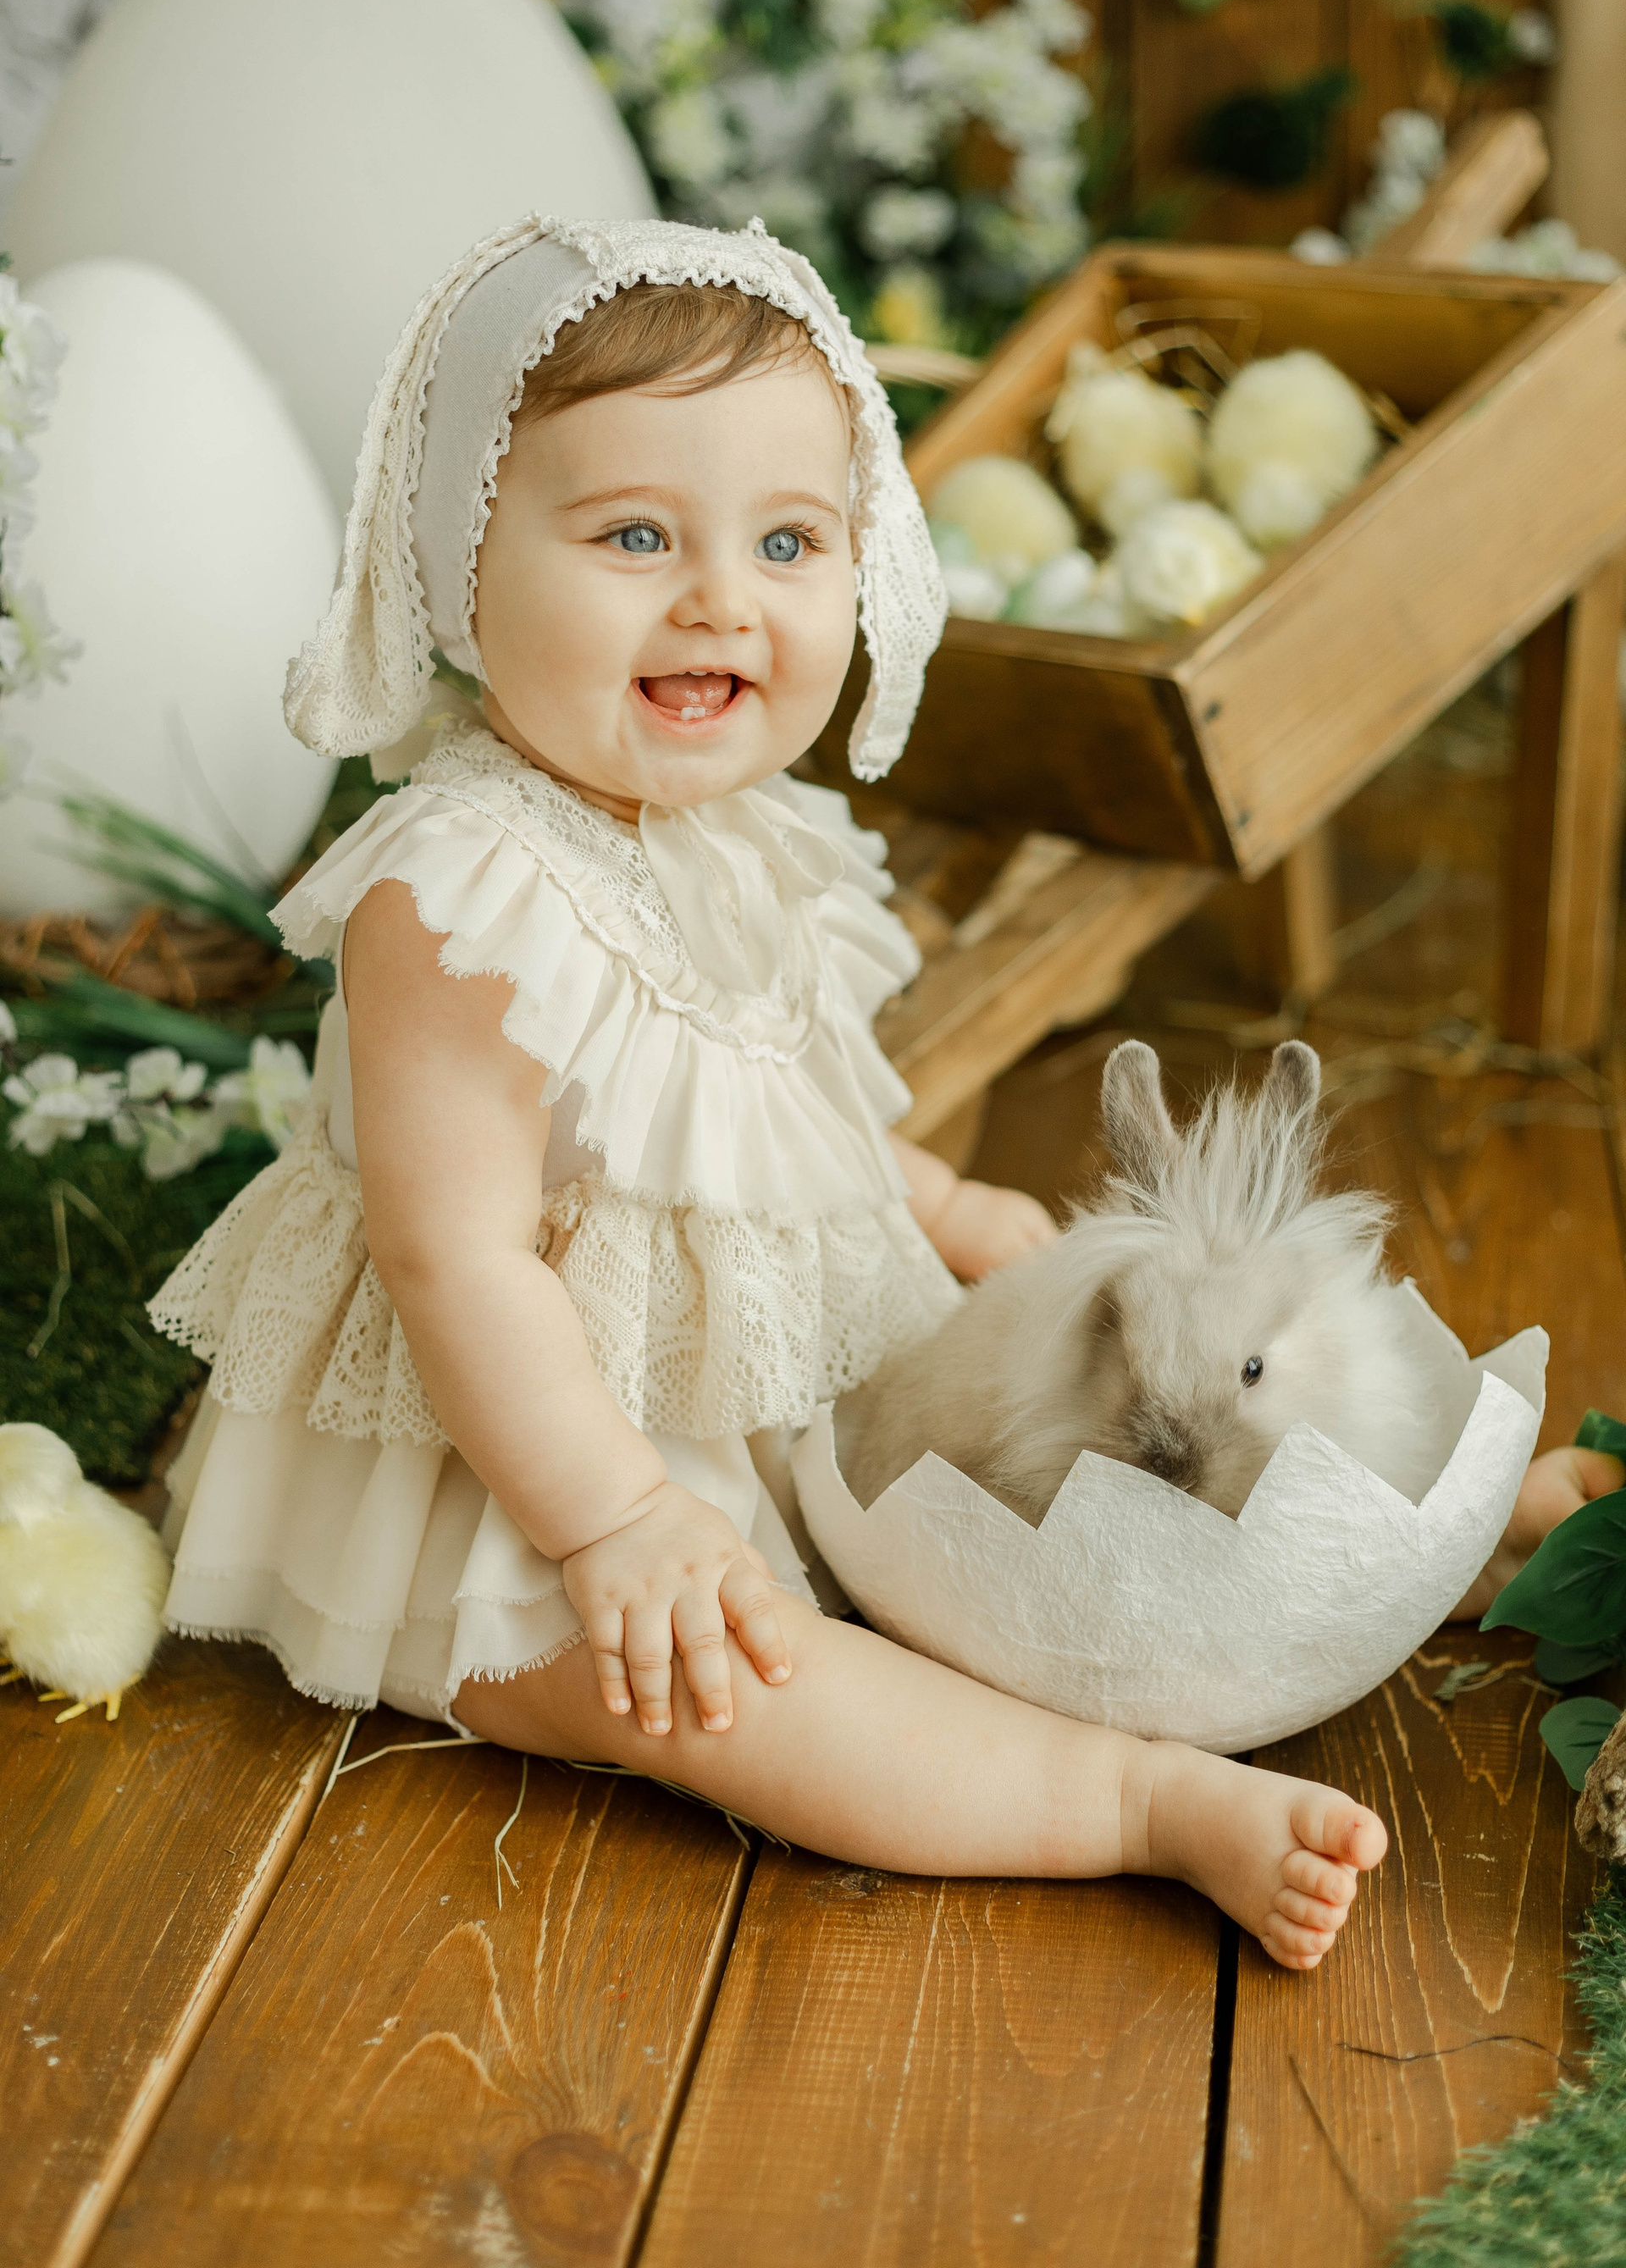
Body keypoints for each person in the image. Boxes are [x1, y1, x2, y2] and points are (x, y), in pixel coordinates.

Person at [148, 216, 1600, 1971]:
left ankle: (1414, 1536)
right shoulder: (457, 895)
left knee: (1040, 1484)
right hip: (516, 1462)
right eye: (634, 536)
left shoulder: (744, 838)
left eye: (787, 541)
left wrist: (946, 1205)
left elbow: (762, 1112)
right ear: (459, 557)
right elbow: (453, 1258)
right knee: (732, 1685)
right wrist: (618, 1521)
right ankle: (1124, 1802)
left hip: (763, 1378)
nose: (721, 598)